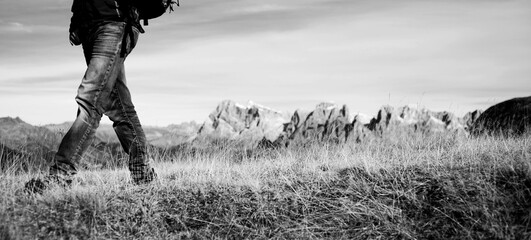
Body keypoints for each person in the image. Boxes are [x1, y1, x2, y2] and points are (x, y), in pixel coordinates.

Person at [26, 0, 156, 193]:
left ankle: (60, 177)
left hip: (114, 24)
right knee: (119, 107)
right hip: (91, 29)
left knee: (90, 99)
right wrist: (76, 24)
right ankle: (143, 175)